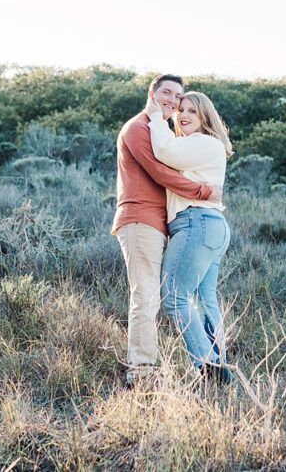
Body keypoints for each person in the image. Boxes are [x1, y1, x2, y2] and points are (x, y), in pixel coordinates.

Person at [110, 74, 220, 387]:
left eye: (178, 96)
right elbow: (159, 173)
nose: (173, 100)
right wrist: (203, 191)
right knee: (145, 294)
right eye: (167, 93)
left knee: (166, 295)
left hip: (158, 223)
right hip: (139, 219)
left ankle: (211, 365)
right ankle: (142, 372)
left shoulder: (164, 131)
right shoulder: (139, 127)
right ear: (152, 93)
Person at [146, 90, 235, 382]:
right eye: (180, 110)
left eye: (192, 112)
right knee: (205, 299)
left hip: (196, 223)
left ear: (205, 117)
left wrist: (157, 116)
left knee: (174, 296)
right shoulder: (204, 146)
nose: (183, 115)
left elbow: (163, 151)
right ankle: (220, 365)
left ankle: (208, 367)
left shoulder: (203, 142)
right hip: (211, 225)